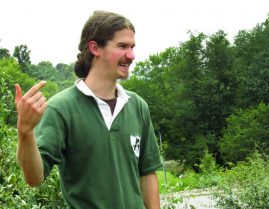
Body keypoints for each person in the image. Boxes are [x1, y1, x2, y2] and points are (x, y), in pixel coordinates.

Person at [15, 10, 162, 209]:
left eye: (132, 47)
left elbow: (147, 173)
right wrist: (25, 131)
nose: (131, 55)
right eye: (122, 46)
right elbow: (34, 178)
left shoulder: (137, 106)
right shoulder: (62, 108)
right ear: (95, 47)